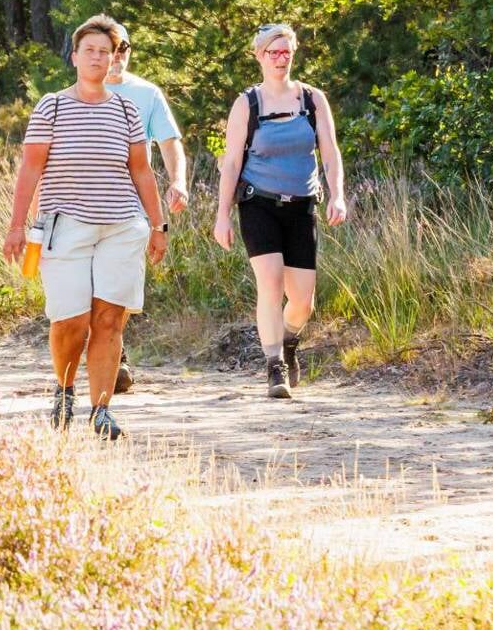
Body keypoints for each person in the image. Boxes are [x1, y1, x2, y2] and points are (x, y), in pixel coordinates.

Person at [2, 16, 169, 439]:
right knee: (70, 320)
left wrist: (157, 224)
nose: (98, 57)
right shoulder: (52, 106)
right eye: (89, 50)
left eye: (106, 52)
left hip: (121, 226)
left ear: (114, 59)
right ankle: (63, 389)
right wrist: (16, 226)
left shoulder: (127, 108)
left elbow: (142, 171)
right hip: (65, 226)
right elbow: (30, 169)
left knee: (110, 318)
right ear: (74, 57)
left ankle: (101, 409)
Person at [210, 24, 348, 400]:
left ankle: (288, 340)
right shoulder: (248, 104)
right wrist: (222, 215)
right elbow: (232, 162)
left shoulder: (312, 99)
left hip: (302, 205)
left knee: (302, 302)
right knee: (269, 281)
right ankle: (274, 366)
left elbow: (330, 153)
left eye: (286, 52)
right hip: (259, 203)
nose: (280, 59)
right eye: (273, 53)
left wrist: (337, 195)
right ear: (259, 56)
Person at [104, 22, 189, 394]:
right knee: (90, 284)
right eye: (111, 48)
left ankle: (115, 353)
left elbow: (170, 143)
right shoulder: (76, 93)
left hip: (133, 204)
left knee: (120, 281)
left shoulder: (147, 94)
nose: (118, 55)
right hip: (85, 201)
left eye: (124, 48)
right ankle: (102, 349)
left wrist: (178, 181)